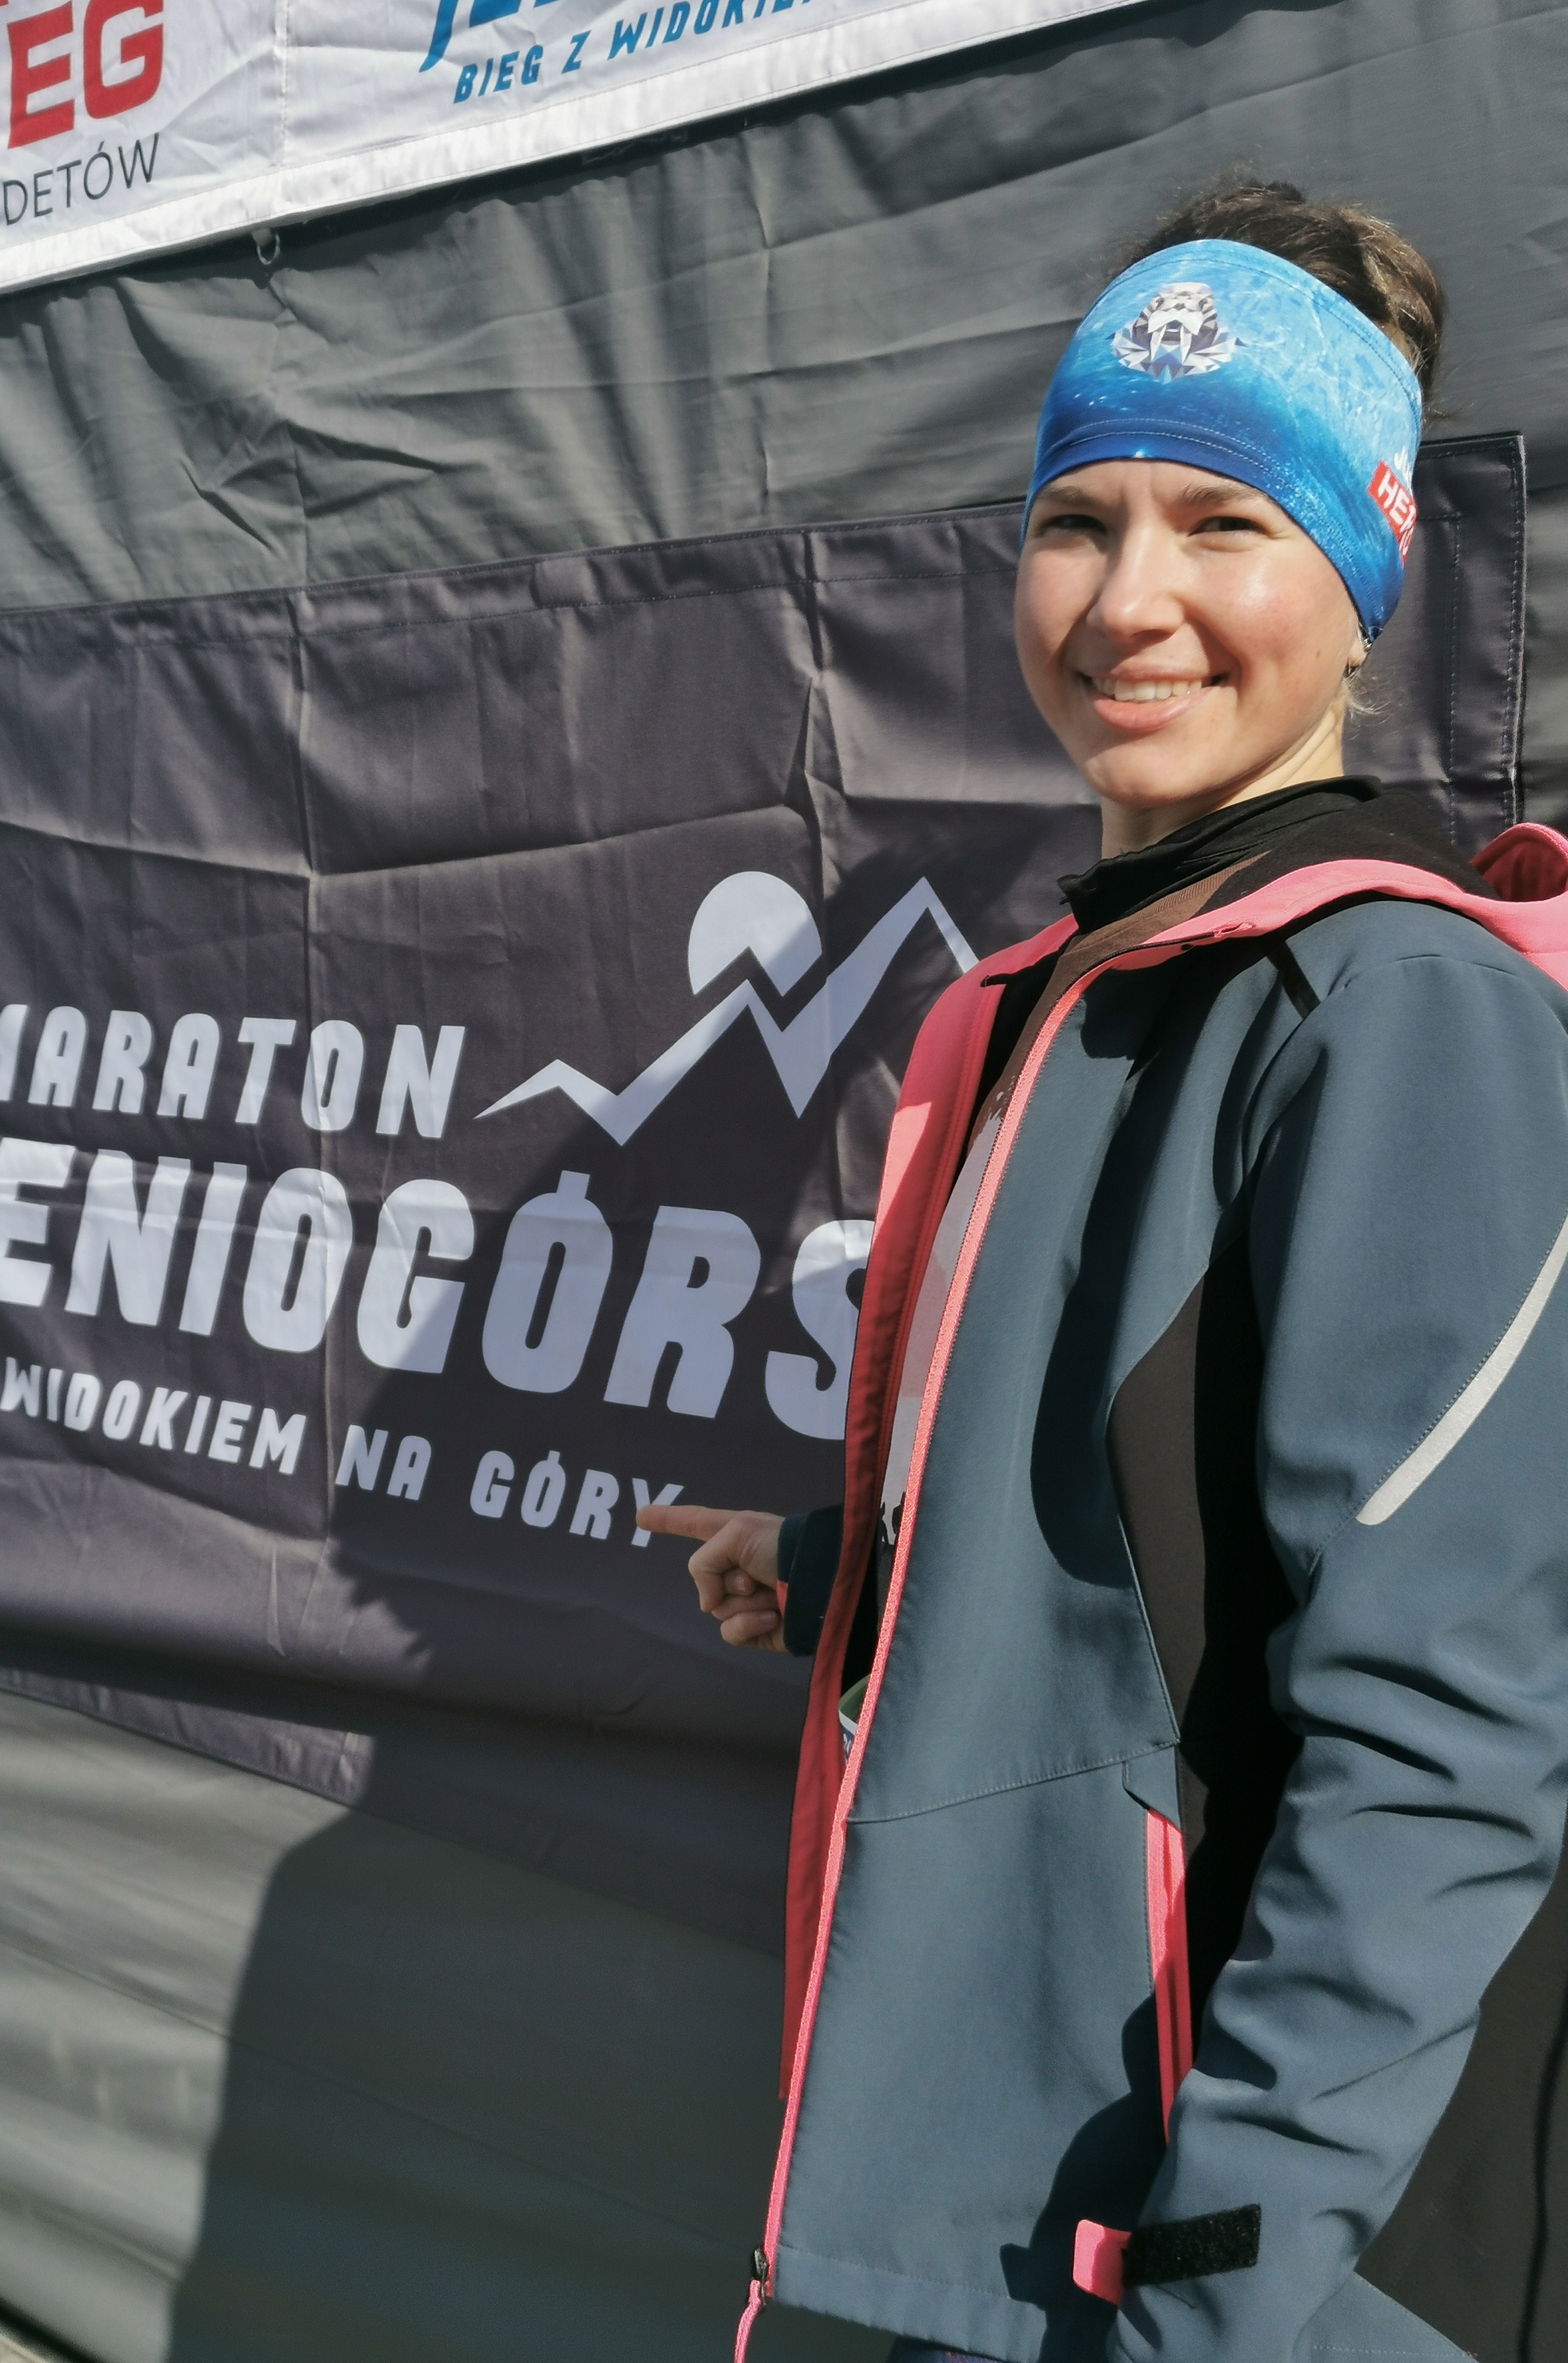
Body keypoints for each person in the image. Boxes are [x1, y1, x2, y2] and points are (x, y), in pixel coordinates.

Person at [639, 182, 1568, 2363]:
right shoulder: (1082, 986)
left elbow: (1443, 1742)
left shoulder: (1404, 1015)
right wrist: (840, 1564)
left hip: (1233, 2261)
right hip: (1004, 2205)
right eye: (1080, 520)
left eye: (1226, 522)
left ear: (1363, 582)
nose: (1129, 599)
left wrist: (1218, 2285)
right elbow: (1161, 1537)